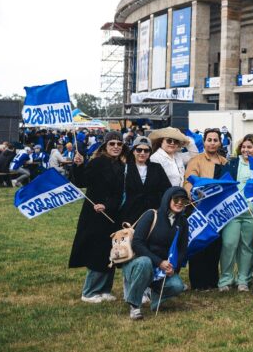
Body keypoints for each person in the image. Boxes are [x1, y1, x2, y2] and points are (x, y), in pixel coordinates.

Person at [69, 131, 126, 304]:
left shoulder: (122, 164)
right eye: (112, 144)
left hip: (112, 214)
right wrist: (78, 165)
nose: (116, 147)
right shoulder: (97, 162)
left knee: (111, 253)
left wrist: (109, 206)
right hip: (95, 216)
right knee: (97, 253)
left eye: (119, 144)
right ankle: (89, 291)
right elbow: (81, 182)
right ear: (105, 146)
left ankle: (104, 290)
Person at [122, 186, 190, 320]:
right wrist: (159, 262)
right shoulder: (151, 215)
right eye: (176, 199)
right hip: (139, 263)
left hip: (162, 270)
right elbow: (137, 243)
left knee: (178, 286)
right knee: (145, 262)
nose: (180, 203)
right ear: (167, 199)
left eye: (184, 201)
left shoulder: (183, 222)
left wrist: (173, 268)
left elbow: (182, 249)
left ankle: (155, 298)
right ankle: (134, 306)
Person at [214, 134, 253, 292]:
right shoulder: (232, 163)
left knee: (247, 245)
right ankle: (226, 279)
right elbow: (222, 183)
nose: (246, 150)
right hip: (233, 211)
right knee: (229, 243)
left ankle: (244, 279)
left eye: (249, 147)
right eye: (243, 146)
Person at [182, 130, 227, 291]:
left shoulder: (224, 161)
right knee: (200, 245)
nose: (212, 143)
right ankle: (198, 282)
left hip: (218, 211)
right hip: (200, 209)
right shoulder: (196, 161)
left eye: (215, 140)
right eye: (209, 140)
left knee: (215, 245)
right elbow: (188, 181)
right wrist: (193, 193)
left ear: (220, 143)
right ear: (204, 141)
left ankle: (212, 281)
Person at [120, 136, 171, 225]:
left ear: (150, 153)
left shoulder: (157, 167)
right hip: (130, 214)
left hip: (152, 213)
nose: (142, 153)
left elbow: (166, 189)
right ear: (133, 151)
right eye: (139, 150)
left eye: (146, 150)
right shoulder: (124, 168)